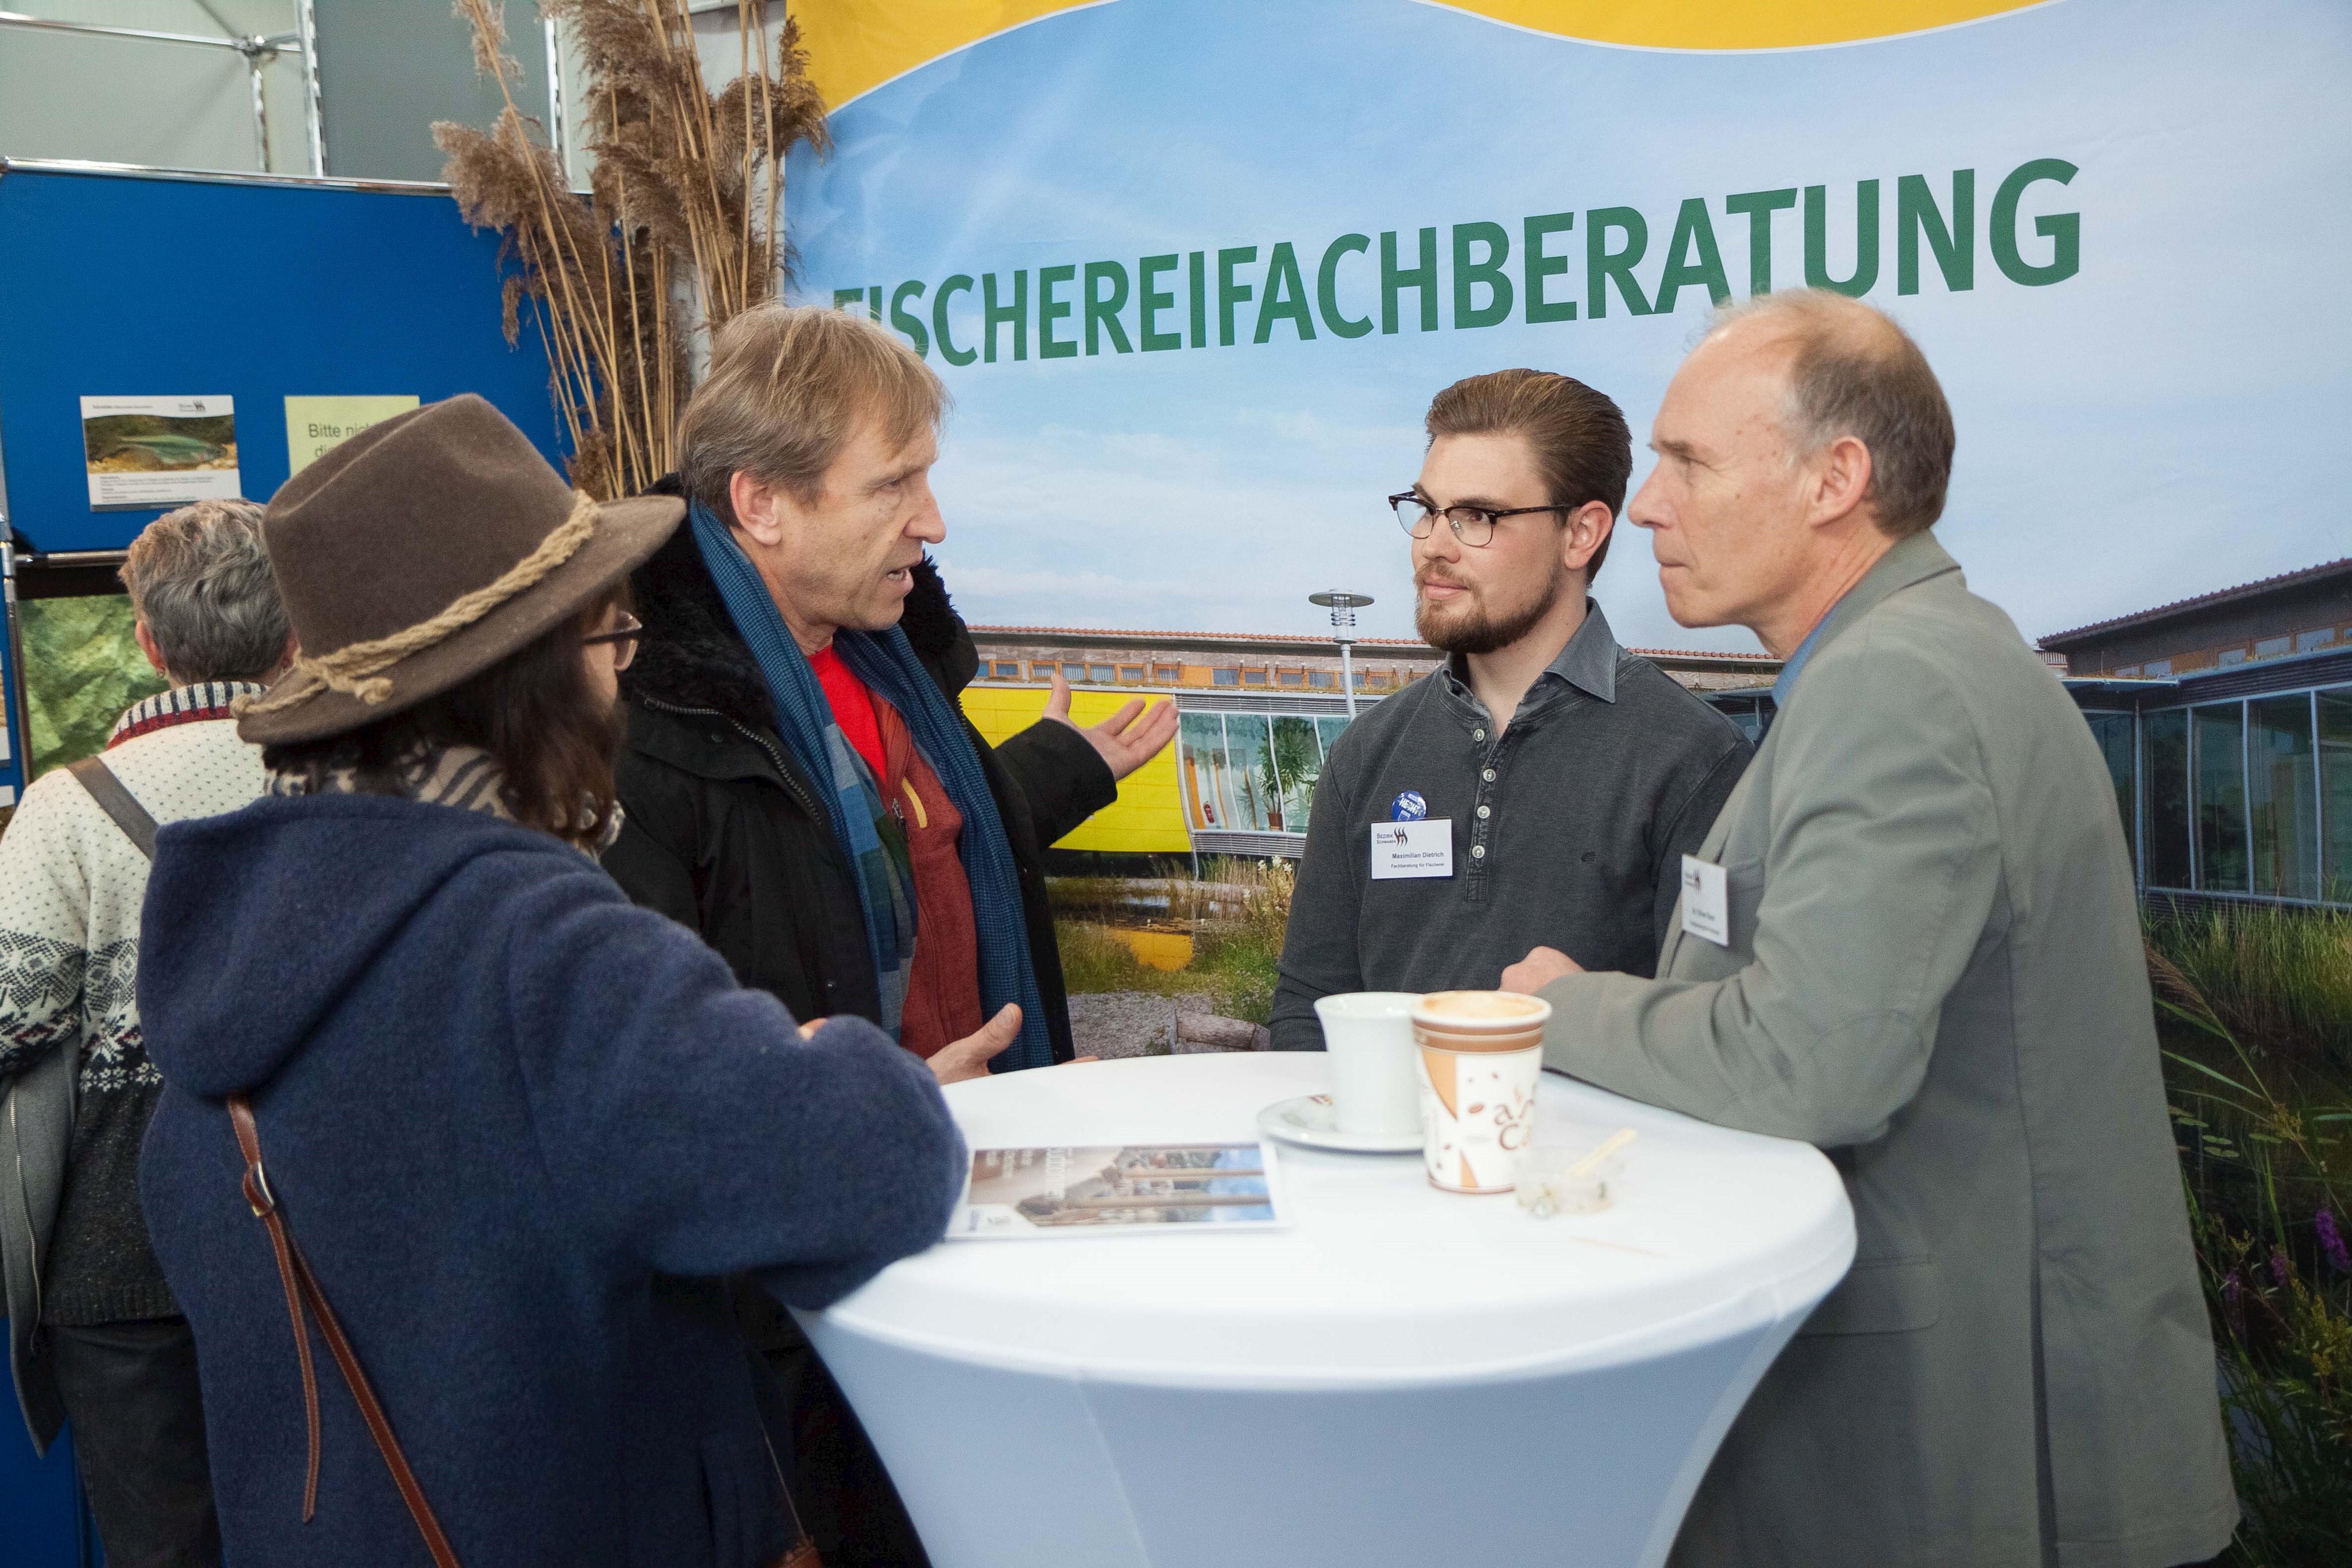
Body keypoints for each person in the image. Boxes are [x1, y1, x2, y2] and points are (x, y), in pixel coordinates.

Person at [135, 394, 966, 1567]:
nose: (621, 680)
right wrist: (845, 1059)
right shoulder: (537, 951)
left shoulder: (218, 962)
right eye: (611, 637)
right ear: (532, 676)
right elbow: (872, 1179)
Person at [1500, 292, 2235, 1567]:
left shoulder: (1893, 684)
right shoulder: (1916, 657)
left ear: (1836, 477)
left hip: (1966, 1457)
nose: (1653, 505)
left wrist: (1562, 1010)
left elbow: (1810, 1061)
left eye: (1687, 460)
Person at [606, 304, 1173, 1565]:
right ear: (762, 504)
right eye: (897, 483)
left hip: (969, 1244)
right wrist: (885, 1101)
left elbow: (893, 852)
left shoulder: (884, 664)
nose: (933, 522)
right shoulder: (654, 730)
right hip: (807, 1338)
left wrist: (1052, 773)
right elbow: (643, 1088)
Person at [1268, 370, 1751, 1049]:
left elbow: (1715, 1032)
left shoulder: (1694, 758)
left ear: (1581, 533)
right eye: (1426, 507)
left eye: (1477, 517)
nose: (1433, 542)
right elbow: (1309, 1008)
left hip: (1596, 1155)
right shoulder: (1367, 753)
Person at [0, 498, 294, 1567]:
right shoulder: (354, 776)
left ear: (147, 641)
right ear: (297, 627)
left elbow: (6, 1021)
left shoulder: (65, 812)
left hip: (126, 1269)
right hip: (322, 1240)